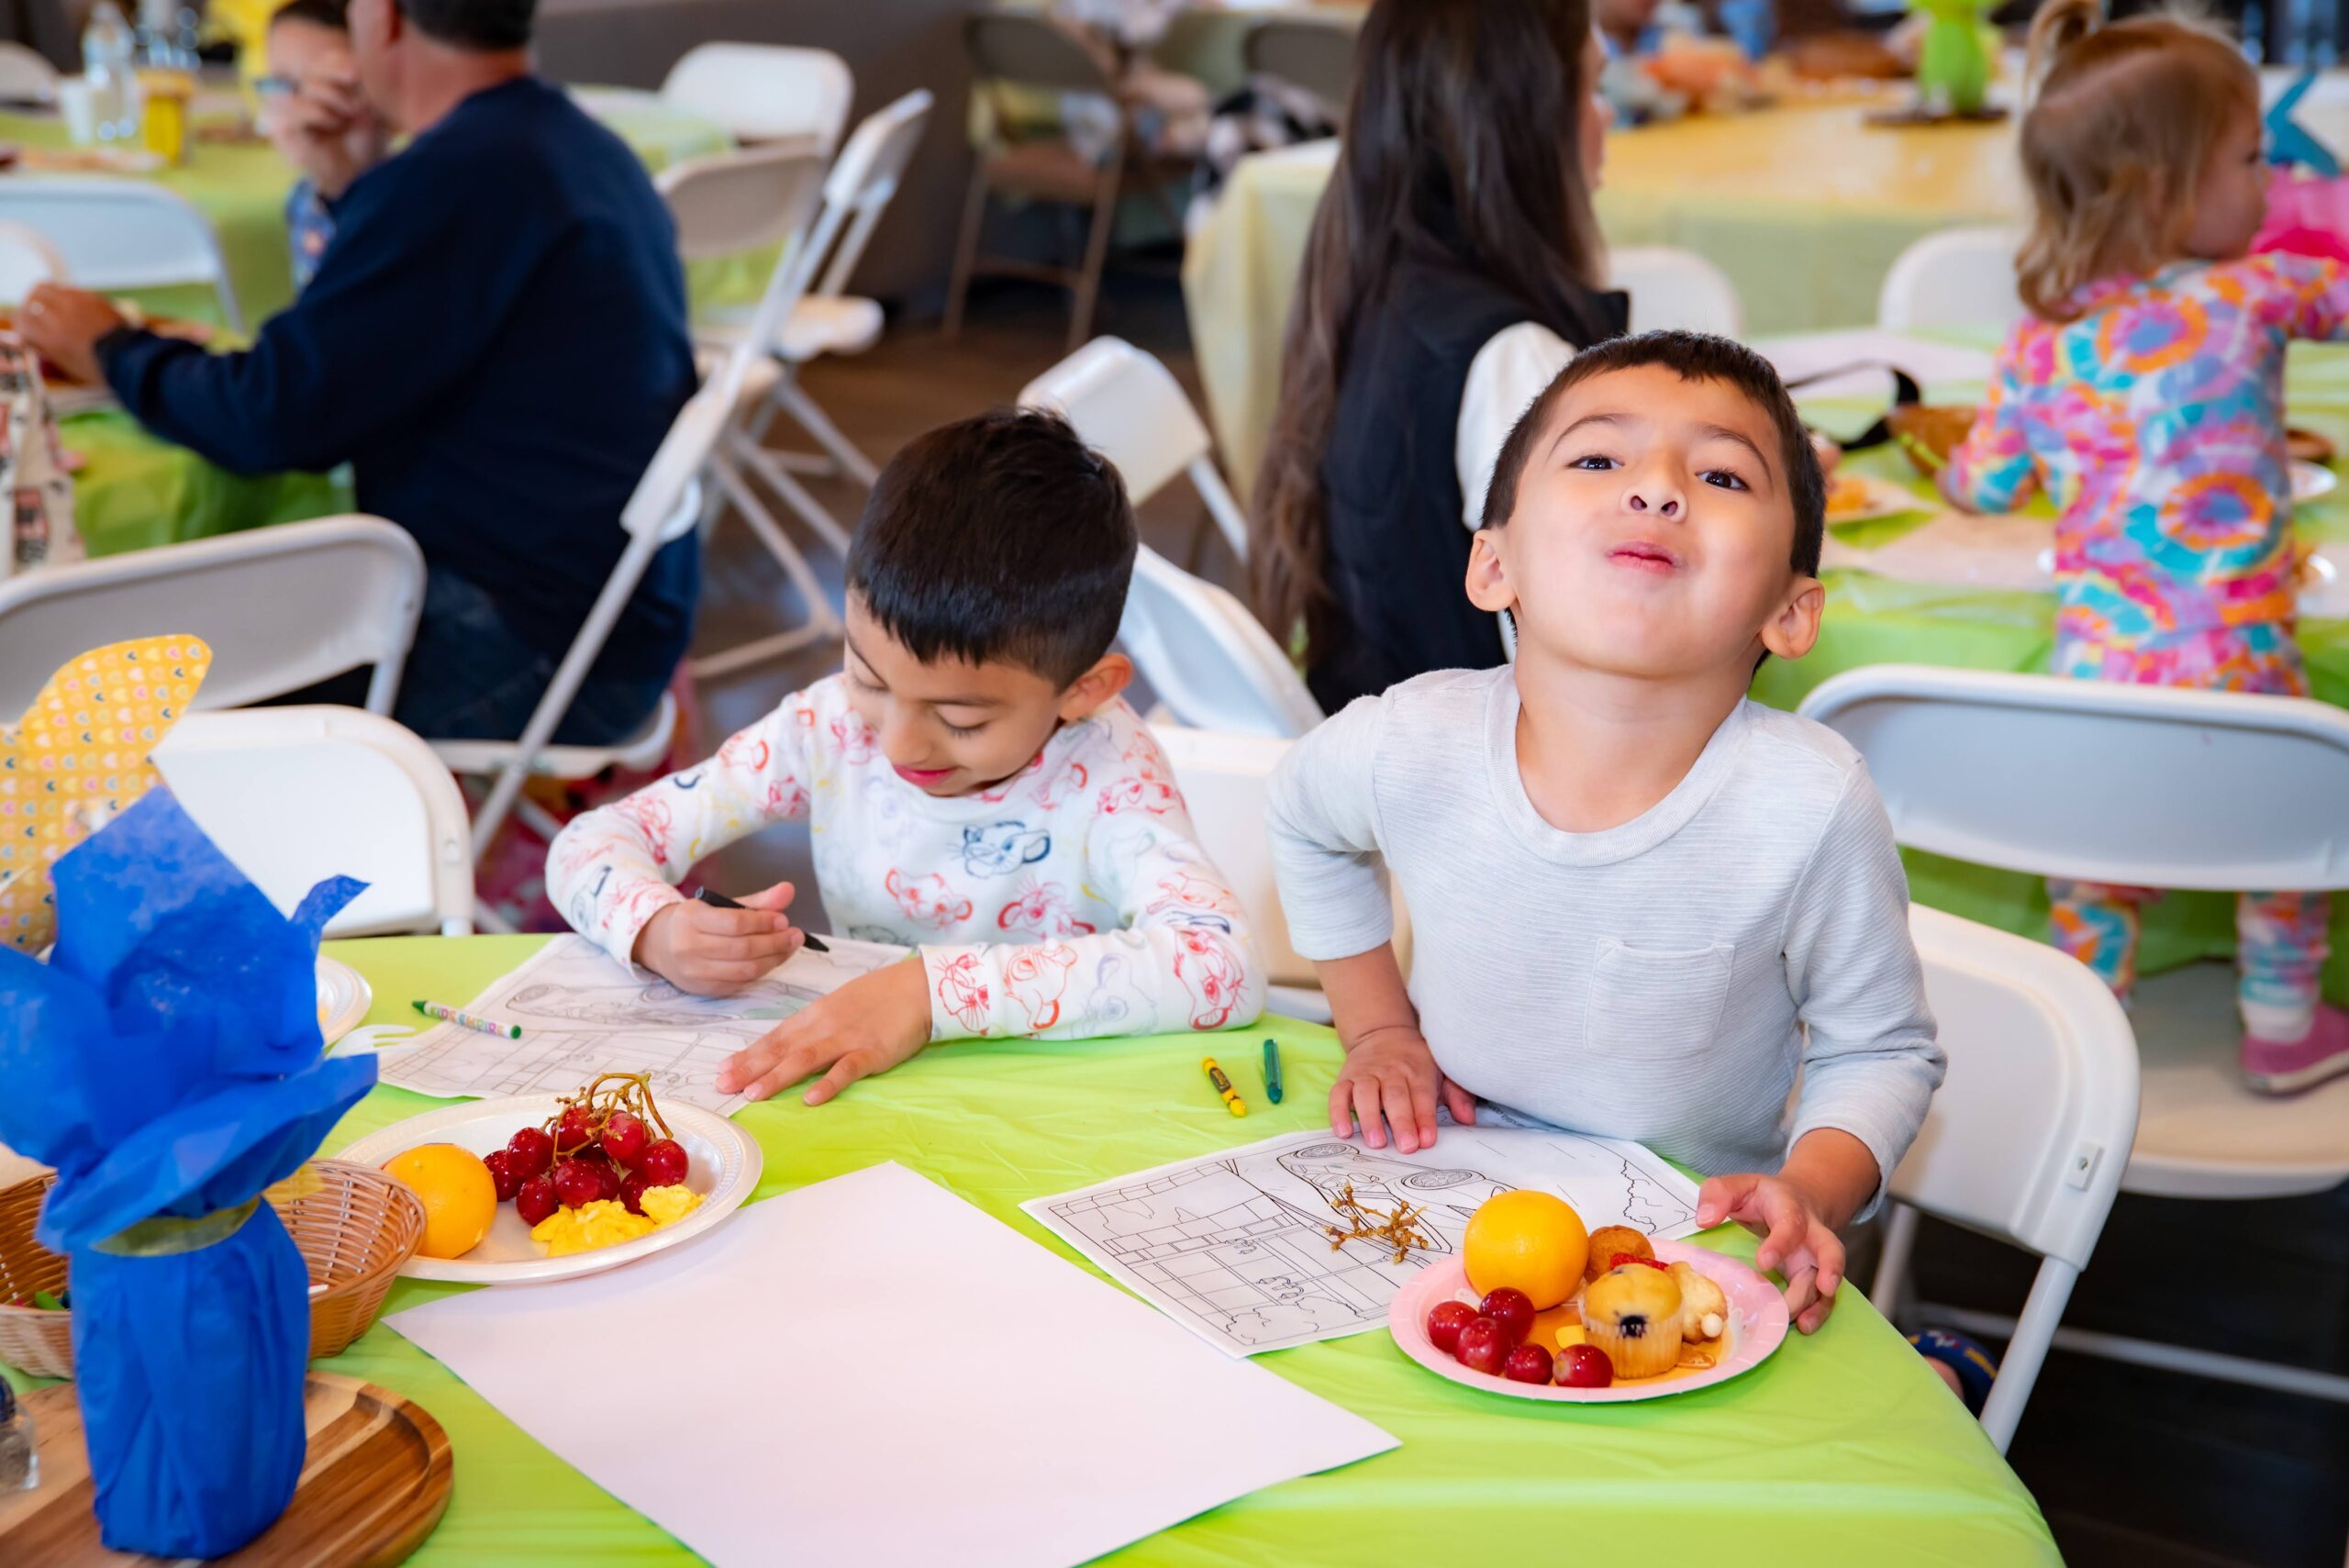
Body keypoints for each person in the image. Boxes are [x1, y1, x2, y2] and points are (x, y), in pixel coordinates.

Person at [1265, 332, 1945, 1333]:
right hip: (1451, 1186)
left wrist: (1812, 1183)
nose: (1657, 489)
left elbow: (1880, 1047)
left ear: (1791, 612)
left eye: (1720, 473)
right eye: (1597, 458)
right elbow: (1302, 816)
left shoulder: (1808, 802)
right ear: (1494, 565)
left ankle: (1934, 1359)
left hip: (1688, 1244)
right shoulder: (1410, 738)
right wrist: (1377, 1029)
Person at [17, 0, 697, 746]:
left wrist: (112, 347)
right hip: (611, 615)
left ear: (383, 16)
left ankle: (241, 856)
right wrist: (353, 185)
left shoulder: (460, 176)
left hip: (531, 647)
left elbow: (269, 417)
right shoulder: (575, 143)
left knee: (82, 686)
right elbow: (379, 345)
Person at [548, 410, 1268, 1107]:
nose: (896, 743)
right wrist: (655, 929)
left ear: (1083, 690)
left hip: (1052, 1104)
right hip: (881, 1100)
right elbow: (587, 843)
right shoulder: (825, 725)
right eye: (868, 677)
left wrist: (930, 993)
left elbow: (1224, 967)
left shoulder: (1108, 773)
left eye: (960, 718)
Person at [1941, 0, 2347, 1092]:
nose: (2270, 181)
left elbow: (1977, 484)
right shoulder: (2259, 293)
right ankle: (2278, 1017)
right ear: (2164, 186)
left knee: (2092, 856)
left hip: (2099, 688)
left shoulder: (2037, 343)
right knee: (2290, 829)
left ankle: (2093, 1030)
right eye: (2254, 158)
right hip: (2248, 677)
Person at [1253, 0, 1628, 714]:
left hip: (1373, 721)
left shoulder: (1376, 279)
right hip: (1458, 785)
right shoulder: (1512, 357)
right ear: (1525, 123)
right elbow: (1588, 668)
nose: (1606, 117)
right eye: (1592, 89)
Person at [256, 0, 387, 291]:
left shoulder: (407, 198)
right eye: (280, 84)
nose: (300, 109)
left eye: (329, 88)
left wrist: (341, 182)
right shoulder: (304, 199)